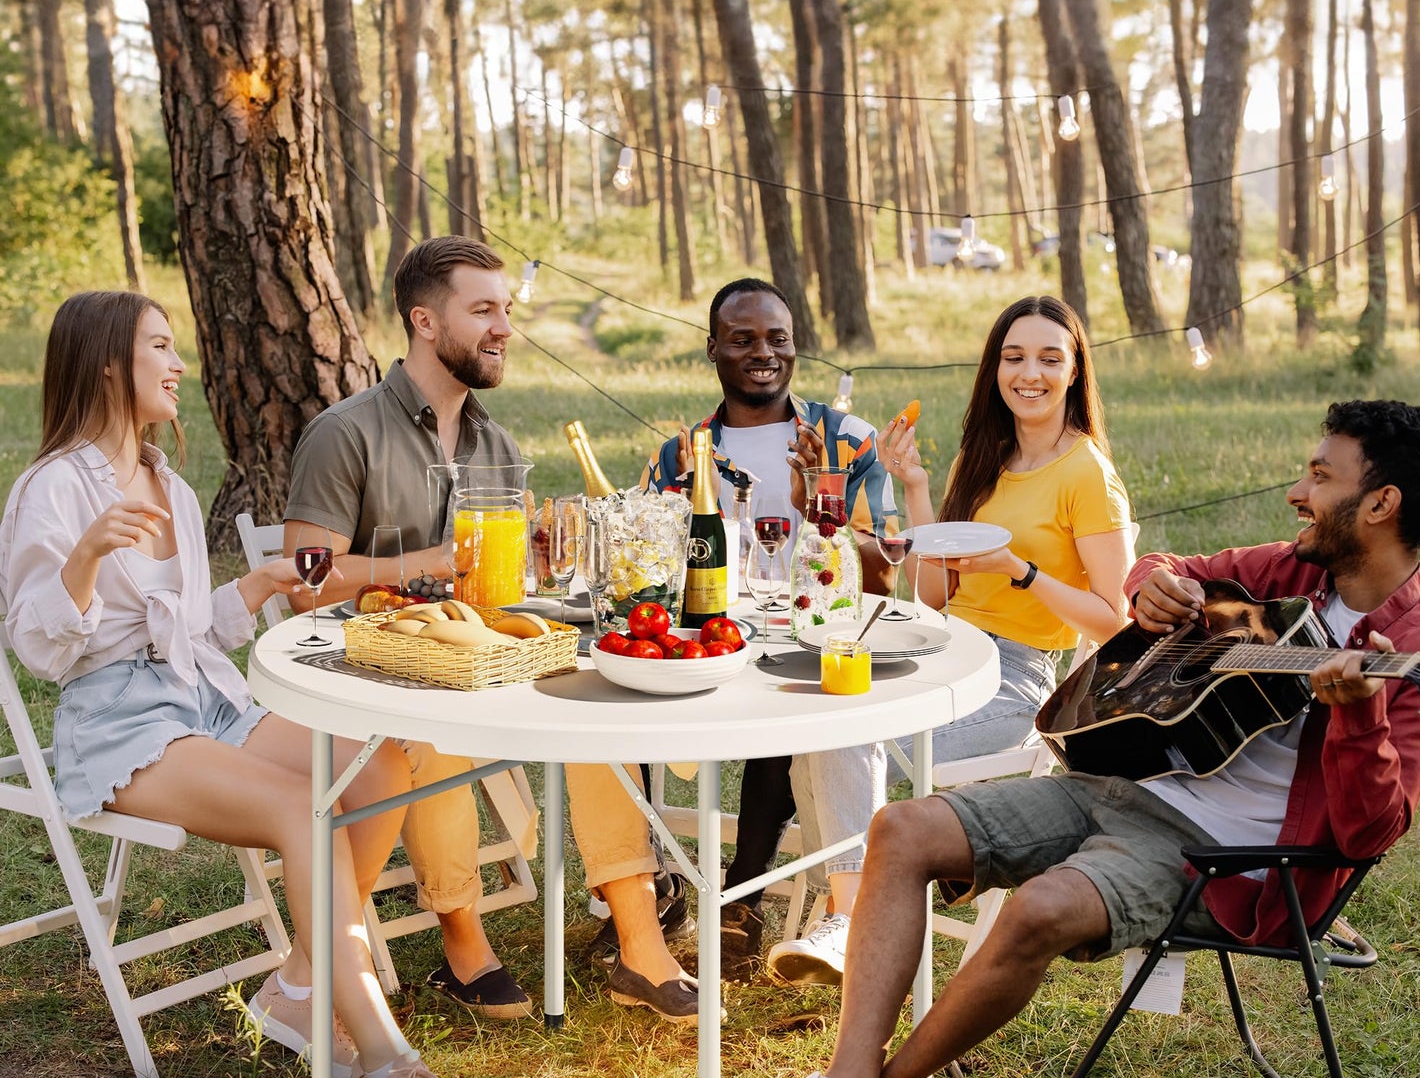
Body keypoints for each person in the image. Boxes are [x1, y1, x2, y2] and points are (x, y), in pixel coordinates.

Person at [693, 398, 1420, 1078]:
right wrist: (1157, 588)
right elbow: (1167, 568)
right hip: (1122, 780)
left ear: (1379, 504)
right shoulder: (1289, 569)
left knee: (1037, 910)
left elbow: (1367, 833)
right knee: (903, 828)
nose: (1297, 491)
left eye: (1319, 477)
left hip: (1221, 860)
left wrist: (1360, 718)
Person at [1, 291, 490, 1078]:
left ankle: (301, 984)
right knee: (299, 807)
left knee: (372, 761)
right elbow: (40, 648)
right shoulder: (50, 488)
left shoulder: (172, 488)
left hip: (203, 699)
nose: (178, 362)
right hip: (122, 723)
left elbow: (186, 629)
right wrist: (84, 554)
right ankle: (382, 1061)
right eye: (159, 345)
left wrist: (256, 589)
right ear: (109, 361)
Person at [285, 236, 699, 1021]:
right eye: (482, 310)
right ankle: (462, 940)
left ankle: (639, 941)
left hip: (485, 651)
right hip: (378, 666)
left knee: (597, 699)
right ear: (424, 322)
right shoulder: (346, 433)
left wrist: (538, 564)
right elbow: (304, 583)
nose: (504, 326)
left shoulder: (496, 445)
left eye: (506, 309)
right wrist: (424, 563)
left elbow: (499, 586)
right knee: (428, 732)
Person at [769, 295, 1135, 987]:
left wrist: (1020, 572)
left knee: (852, 728)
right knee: (823, 716)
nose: (1029, 372)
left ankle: (850, 920)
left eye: (1049, 358)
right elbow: (933, 595)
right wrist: (915, 487)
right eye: (1014, 356)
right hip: (945, 648)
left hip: (1019, 678)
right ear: (994, 368)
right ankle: (848, 907)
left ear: (1073, 370)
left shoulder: (1086, 473)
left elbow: (1114, 621)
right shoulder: (985, 455)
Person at [642, 277, 898, 981]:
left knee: (795, 689)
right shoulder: (682, 455)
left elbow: (884, 574)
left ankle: (742, 889)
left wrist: (823, 509)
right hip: (712, 641)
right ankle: (648, 884)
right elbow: (648, 567)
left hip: (815, 636)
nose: (763, 353)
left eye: (777, 338)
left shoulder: (844, 441)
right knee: (624, 683)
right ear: (713, 349)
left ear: (795, 347)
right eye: (743, 338)